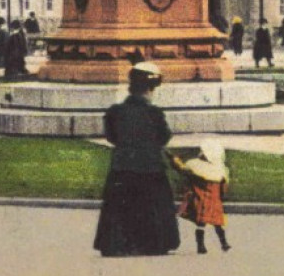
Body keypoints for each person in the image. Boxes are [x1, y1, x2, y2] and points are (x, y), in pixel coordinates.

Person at [93, 62, 180, 257]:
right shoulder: (154, 113)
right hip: (150, 166)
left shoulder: (115, 112)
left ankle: (119, 244)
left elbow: (112, 137)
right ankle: (152, 244)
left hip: (123, 164)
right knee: (152, 206)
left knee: (120, 206)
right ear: (149, 89)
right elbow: (164, 137)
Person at [170, 141, 231, 254]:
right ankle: (224, 243)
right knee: (217, 223)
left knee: (201, 224)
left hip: (201, 199)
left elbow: (183, 171)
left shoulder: (196, 165)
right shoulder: (221, 170)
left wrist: (175, 161)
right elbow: (223, 188)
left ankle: (201, 246)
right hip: (215, 200)